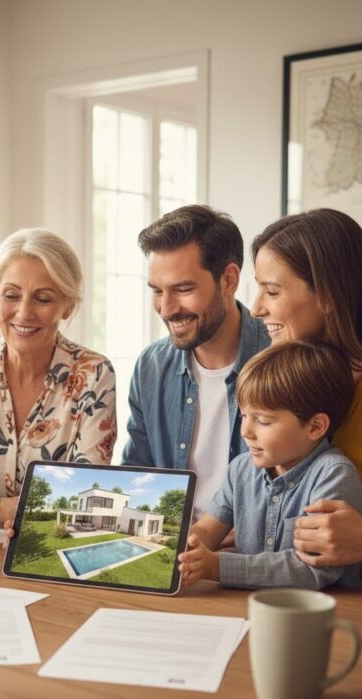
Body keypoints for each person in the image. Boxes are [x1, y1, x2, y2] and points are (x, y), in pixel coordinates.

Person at [251, 208, 362, 599]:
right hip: (297, 600)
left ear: (328, 297)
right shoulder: (281, 383)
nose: (256, 308)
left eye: (272, 292)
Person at [0, 228, 117, 536]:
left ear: (67, 306)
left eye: (43, 299)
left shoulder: (94, 374)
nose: (24, 313)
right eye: (11, 295)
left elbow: (86, 500)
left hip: (49, 546)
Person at [178, 341, 362, 590]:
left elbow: (312, 568)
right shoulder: (241, 469)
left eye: (263, 421)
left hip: (322, 609)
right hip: (246, 605)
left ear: (315, 426)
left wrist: (216, 567)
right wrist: (185, 548)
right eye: (244, 415)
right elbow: (207, 530)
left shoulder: (334, 475)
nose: (245, 431)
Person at [122, 205, 270, 523]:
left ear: (228, 280)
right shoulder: (151, 367)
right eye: (157, 291)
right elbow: (135, 478)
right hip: (171, 546)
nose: (166, 309)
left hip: (254, 551)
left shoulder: (282, 360)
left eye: (183, 289)